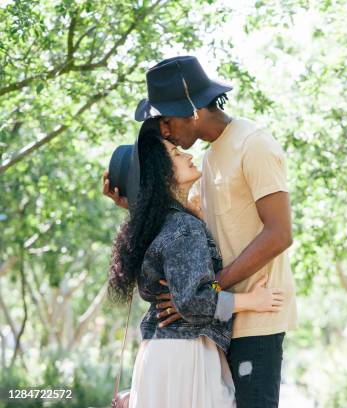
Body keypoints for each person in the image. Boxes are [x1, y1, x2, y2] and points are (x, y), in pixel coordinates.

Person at [103, 55, 297, 407]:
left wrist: (207, 289)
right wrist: (133, 202)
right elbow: (177, 233)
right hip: (215, 324)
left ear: (192, 110)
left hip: (255, 319)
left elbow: (279, 234)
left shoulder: (253, 144)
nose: (163, 130)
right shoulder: (208, 159)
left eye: (165, 119)